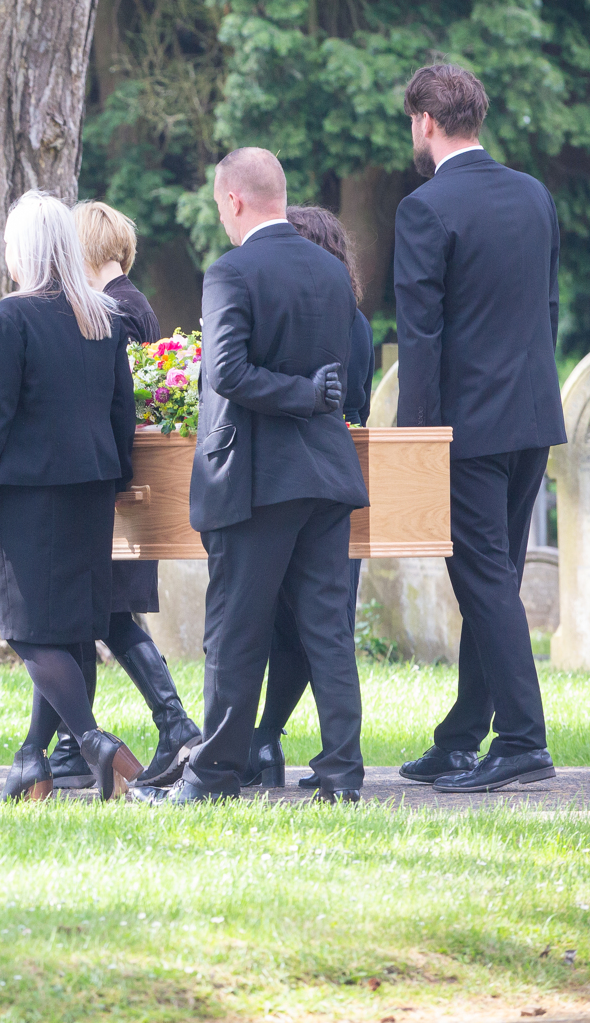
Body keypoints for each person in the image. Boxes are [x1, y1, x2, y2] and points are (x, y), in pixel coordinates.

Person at [132, 148, 369, 805]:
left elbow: (228, 372)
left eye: (217, 205)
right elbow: (337, 377)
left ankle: (212, 778)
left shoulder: (231, 270)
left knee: (235, 630)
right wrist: (312, 392)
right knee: (328, 631)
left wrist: (298, 392)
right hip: (325, 474)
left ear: (233, 200)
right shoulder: (330, 270)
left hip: (258, 477)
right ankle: (343, 776)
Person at [0, 191, 141, 802]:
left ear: (24, 249)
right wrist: (119, 475)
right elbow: (120, 411)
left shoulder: (6, 320)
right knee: (70, 629)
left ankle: (93, 741)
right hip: (91, 488)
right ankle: (32, 759)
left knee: (29, 631)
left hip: (30, 497)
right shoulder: (101, 316)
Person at [393, 63, 564, 793]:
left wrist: (412, 446)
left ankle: (523, 738)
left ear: (426, 122)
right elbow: (547, 308)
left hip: (467, 430)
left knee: (485, 584)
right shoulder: (534, 195)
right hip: (531, 418)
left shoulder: (425, 208)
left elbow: (420, 338)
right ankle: (463, 733)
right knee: (496, 581)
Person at [32, 202, 201, 791]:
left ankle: (172, 723)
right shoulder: (132, 302)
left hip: (110, 480)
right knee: (89, 615)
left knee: (102, 613)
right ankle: (76, 745)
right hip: (116, 477)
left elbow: (117, 399)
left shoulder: (115, 308)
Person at [240, 203, 374, 788]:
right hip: (336, 477)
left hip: (279, 476)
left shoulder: (310, 314)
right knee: (321, 627)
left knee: (275, 625)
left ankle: (259, 741)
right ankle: (316, 755)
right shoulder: (353, 317)